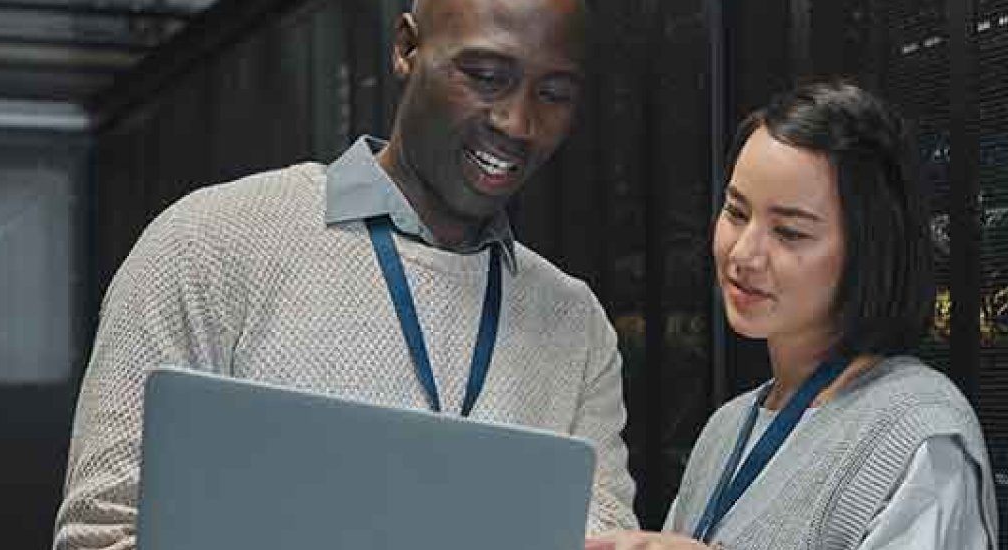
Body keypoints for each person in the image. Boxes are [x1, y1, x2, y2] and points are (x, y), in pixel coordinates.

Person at [53, 0, 638, 547]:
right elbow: (101, 533)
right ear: (407, 49)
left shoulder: (575, 325)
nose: (517, 122)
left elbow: (603, 539)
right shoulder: (210, 242)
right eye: (485, 77)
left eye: (554, 93)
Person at [588, 82, 997, 550]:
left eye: (789, 233)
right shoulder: (726, 428)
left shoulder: (918, 433)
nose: (744, 253)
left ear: (870, 249)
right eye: (736, 212)